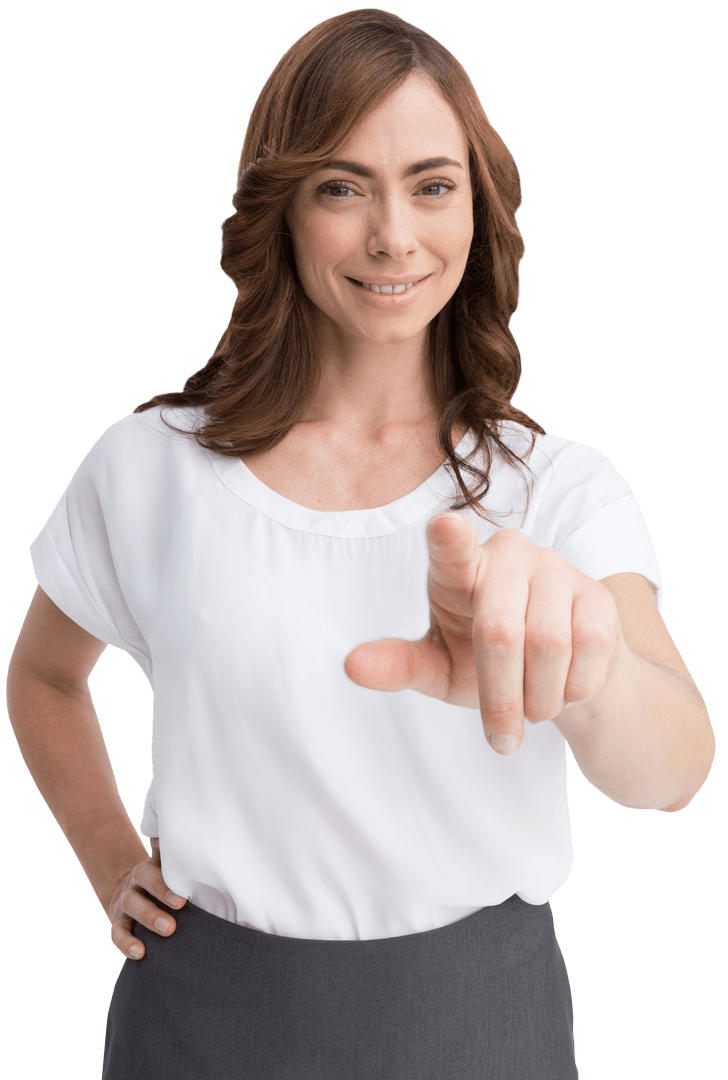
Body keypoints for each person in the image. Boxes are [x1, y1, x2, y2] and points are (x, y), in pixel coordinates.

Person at [6, 9, 715, 1079]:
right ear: (282, 210)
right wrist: (111, 859)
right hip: (201, 1021)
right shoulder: (147, 466)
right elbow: (45, 677)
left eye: (431, 186)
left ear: (476, 209)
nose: (393, 236)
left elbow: (676, 767)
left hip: (480, 1030)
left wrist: (586, 671)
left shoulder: (555, 490)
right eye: (342, 188)